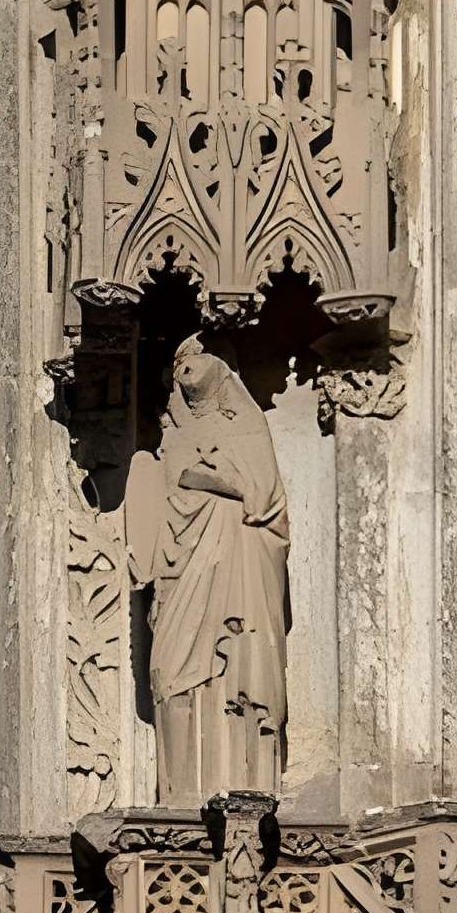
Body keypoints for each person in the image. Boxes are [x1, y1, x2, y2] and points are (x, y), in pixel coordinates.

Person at [126, 337, 290, 799]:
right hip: (180, 578)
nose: (189, 380)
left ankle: (246, 780)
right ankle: (180, 790)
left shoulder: (248, 430)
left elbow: (265, 501)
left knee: (240, 666)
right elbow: (152, 518)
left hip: (238, 573)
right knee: (170, 669)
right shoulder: (169, 443)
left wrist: (214, 479)